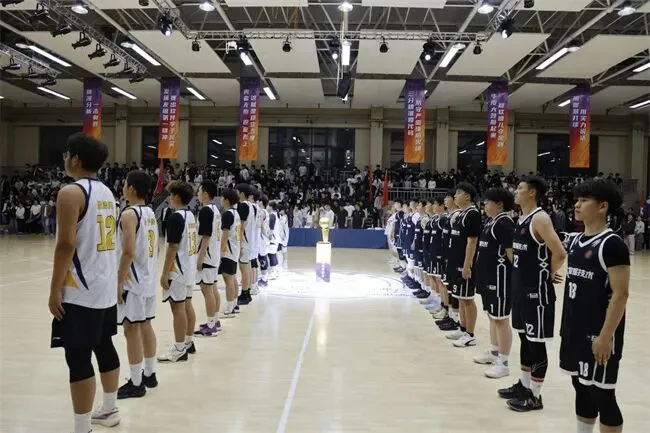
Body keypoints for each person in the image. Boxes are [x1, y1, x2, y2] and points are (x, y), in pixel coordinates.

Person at [48, 133, 121, 433]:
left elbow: (66, 245)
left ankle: (82, 428)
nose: (65, 159)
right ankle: (110, 408)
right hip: (104, 287)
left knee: (78, 358)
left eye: (67, 154)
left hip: (81, 290)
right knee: (104, 346)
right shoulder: (107, 192)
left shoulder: (70, 193)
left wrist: (54, 289)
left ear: (76, 159)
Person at [560, 179, 629, 433]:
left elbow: (620, 294)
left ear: (602, 207)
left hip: (599, 335)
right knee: (581, 387)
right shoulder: (576, 241)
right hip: (574, 331)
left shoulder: (612, 244)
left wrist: (605, 336)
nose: (577, 205)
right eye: (577, 200)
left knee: (603, 395)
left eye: (584, 200)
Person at [499, 175, 567, 412]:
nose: (515, 191)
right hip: (520, 290)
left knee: (536, 344)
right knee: (525, 340)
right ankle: (524, 385)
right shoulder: (522, 218)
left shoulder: (540, 218)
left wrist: (548, 272)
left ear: (532, 193)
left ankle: (535, 396)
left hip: (536, 294)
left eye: (520, 188)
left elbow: (560, 252)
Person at [116, 171, 159, 398]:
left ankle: (136, 382)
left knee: (131, 329)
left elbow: (128, 251)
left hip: (133, 282)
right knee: (146, 326)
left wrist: (119, 282)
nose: (123, 187)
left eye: (125, 183)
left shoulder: (129, 214)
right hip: (148, 278)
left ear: (131, 188)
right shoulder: (150, 213)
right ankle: (149, 374)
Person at [473, 188, 515, 378]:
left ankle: (503, 363)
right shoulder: (491, 221)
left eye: (488, 202)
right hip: (487, 277)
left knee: (501, 319)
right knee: (492, 316)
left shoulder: (504, 222)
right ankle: (494, 351)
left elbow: (512, 255)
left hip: (499, 279)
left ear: (499, 204)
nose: (485, 205)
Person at [158, 180, 198, 362]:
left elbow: (172, 247)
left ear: (176, 197)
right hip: (188, 267)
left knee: (178, 308)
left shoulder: (176, 218)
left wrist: (165, 273)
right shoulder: (190, 215)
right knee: (187, 305)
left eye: (170, 195)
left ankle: (179, 348)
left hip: (178, 270)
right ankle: (188, 342)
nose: (168, 198)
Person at [445, 183, 482, 347]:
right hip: (456, 262)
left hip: (464, 263)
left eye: (458, 193)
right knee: (460, 298)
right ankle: (463, 328)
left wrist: (467, 266)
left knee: (467, 299)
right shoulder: (461, 214)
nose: (455, 196)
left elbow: (472, 242)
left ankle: (470, 334)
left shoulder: (472, 214)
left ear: (467, 196)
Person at [193, 180, 222, 337]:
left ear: (205, 193)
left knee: (207, 290)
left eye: (199, 191)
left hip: (208, 256)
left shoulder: (206, 211)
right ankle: (214, 320)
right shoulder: (215, 209)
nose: (197, 193)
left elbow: (206, 236)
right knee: (212, 288)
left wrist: (200, 258)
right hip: (214, 255)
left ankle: (211, 325)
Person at [219, 188, 241, 317]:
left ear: (226, 200)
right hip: (235, 249)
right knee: (232, 278)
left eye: (222, 198)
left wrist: (220, 253)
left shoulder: (227, 214)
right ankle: (234, 304)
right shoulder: (236, 213)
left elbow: (224, 236)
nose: (221, 200)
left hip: (228, 251)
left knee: (228, 279)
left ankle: (229, 308)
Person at [235, 183, 254, 306]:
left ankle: (245, 293)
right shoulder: (251, 206)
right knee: (246, 268)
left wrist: (240, 243)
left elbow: (241, 227)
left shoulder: (243, 206)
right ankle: (247, 292)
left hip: (244, 241)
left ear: (241, 193)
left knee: (244, 269)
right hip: (249, 241)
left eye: (237, 192)